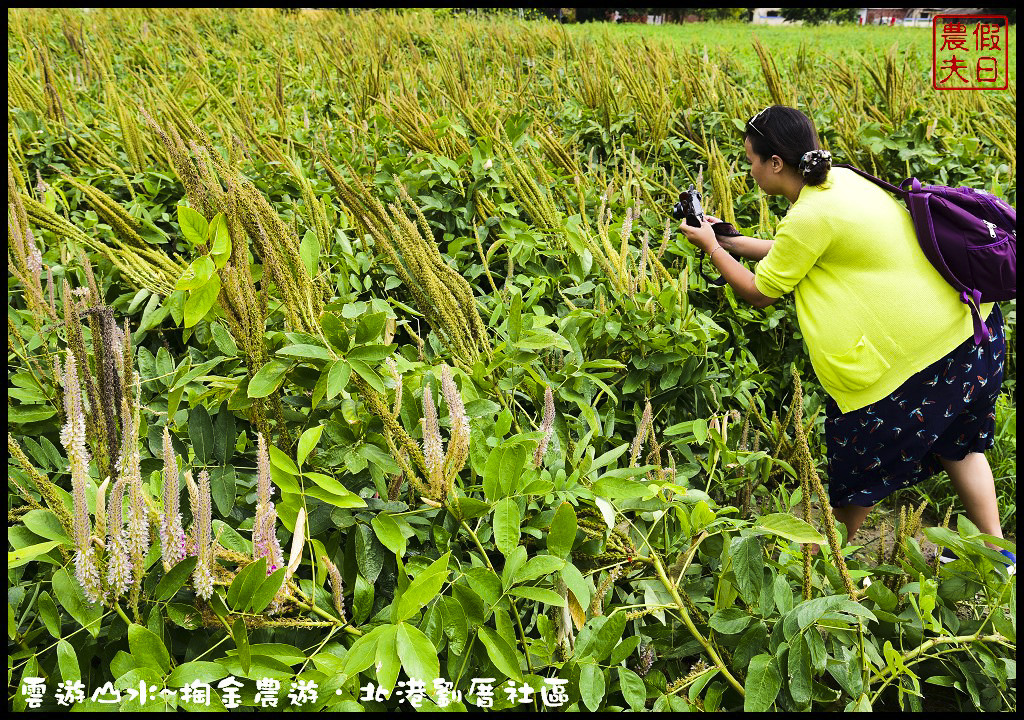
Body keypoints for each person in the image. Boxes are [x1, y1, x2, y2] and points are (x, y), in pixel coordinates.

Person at [677, 105, 1013, 564]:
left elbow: (760, 291)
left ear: (776, 163)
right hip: (972, 337)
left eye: (752, 159)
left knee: (862, 468)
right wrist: (732, 242)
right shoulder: (842, 180)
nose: (749, 168)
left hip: (921, 364)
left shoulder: (808, 216)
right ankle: (1000, 559)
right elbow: (804, 249)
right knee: (962, 449)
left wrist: (712, 248)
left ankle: (825, 568)